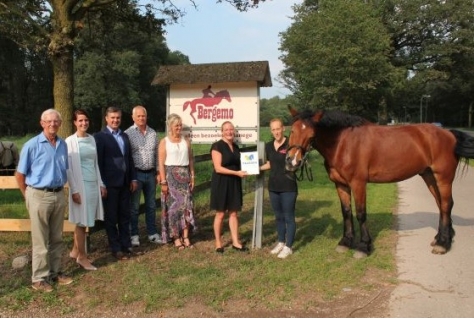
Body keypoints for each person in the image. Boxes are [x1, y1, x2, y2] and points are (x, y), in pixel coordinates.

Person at [15, 108, 73, 292]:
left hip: (58, 194)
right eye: (48, 121)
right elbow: (20, 175)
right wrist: (29, 195)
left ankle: (55, 273)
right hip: (38, 195)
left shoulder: (63, 145)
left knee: (57, 237)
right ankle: (39, 278)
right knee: (40, 239)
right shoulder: (32, 145)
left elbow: (66, 170)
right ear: (42, 123)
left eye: (56, 121)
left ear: (60, 124)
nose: (52, 124)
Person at [94, 106, 138, 261]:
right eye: (112, 117)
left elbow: (129, 159)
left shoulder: (124, 136)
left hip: (125, 183)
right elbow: (98, 162)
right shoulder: (100, 137)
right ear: (106, 118)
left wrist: (133, 178)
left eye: (118, 117)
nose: (115, 120)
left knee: (125, 216)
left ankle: (126, 245)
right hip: (110, 184)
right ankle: (116, 248)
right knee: (111, 217)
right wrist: (101, 184)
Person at [66, 109, 106, 271]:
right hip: (80, 187)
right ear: (75, 122)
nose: (84, 123)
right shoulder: (70, 141)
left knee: (87, 220)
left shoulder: (92, 139)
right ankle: (82, 257)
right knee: (82, 222)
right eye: (80, 120)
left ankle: (75, 250)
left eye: (86, 120)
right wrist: (74, 190)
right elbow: (68, 169)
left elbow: (95, 164)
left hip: (93, 184)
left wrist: (101, 183)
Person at [260, 118, 298, 259]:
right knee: (279, 216)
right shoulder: (269, 146)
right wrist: (255, 169)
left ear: (283, 129)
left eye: (278, 128)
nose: (276, 132)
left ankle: (289, 246)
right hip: (273, 186)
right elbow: (270, 164)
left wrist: (295, 164)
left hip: (288, 186)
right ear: (271, 131)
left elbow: (296, 162)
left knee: (289, 216)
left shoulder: (291, 144)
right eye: (273, 129)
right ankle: (281, 242)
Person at [125, 105, 162, 247]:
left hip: (151, 175)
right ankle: (134, 234)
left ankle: (152, 233)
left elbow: (157, 154)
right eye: (138, 116)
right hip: (136, 175)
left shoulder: (153, 133)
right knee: (134, 207)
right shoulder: (128, 133)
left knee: (151, 205)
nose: (141, 118)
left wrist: (158, 172)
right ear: (133, 117)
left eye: (143, 116)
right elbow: (127, 157)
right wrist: (130, 177)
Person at [158, 113, 196, 250]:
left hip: (185, 176)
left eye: (180, 125)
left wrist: (192, 176)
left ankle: (185, 236)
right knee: (174, 209)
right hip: (171, 178)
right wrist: (163, 182)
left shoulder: (186, 140)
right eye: (176, 125)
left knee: (186, 207)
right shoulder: (164, 142)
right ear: (170, 127)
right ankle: (175, 237)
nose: (179, 128)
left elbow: (191, 160)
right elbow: (161, 164)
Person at [210, 121, 248, 253]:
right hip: (221, 182)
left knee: (233, 213)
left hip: (234, 183)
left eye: (231, 129)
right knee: (220, 213)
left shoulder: (236, 147)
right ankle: (218, 242)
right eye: (226, 129)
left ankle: (236, 242)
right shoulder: (217, 146)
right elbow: (218, 168)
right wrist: (236, 173)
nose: (229, 132)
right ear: (222, 131)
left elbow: (240, 165)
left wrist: (246, 171)